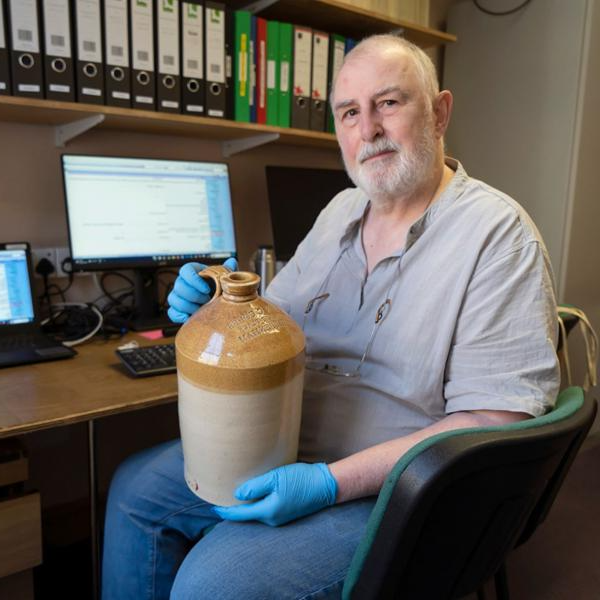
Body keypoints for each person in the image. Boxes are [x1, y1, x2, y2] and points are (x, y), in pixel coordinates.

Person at [102, 34, 559, 599]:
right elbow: (276, 322)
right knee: (132, 493)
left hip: (390, 489)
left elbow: (496, 421)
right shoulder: (341, 209)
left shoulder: (498, 234)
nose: (367, 130)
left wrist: (328, 483)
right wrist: (219, 305)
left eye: (388, 104)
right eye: (349, 112)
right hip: (284, 443)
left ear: (440, 112)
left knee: (212, 583)